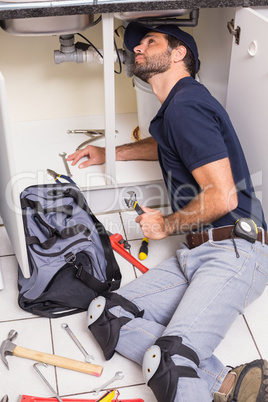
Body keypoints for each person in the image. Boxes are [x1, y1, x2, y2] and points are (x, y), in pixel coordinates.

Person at [67, 21, 268, 402]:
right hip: (199, 252)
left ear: (179, 54)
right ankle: (228, 383)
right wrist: (109, 154)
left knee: (169, 362)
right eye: (137, 44)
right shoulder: (178, 109)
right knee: (107, 314)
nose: (137, 49)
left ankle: (185, 364)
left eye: (150, 42)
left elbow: (222, 197)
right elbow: (164, 146)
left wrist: (166, 223)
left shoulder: (186, 104)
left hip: (235, 252)